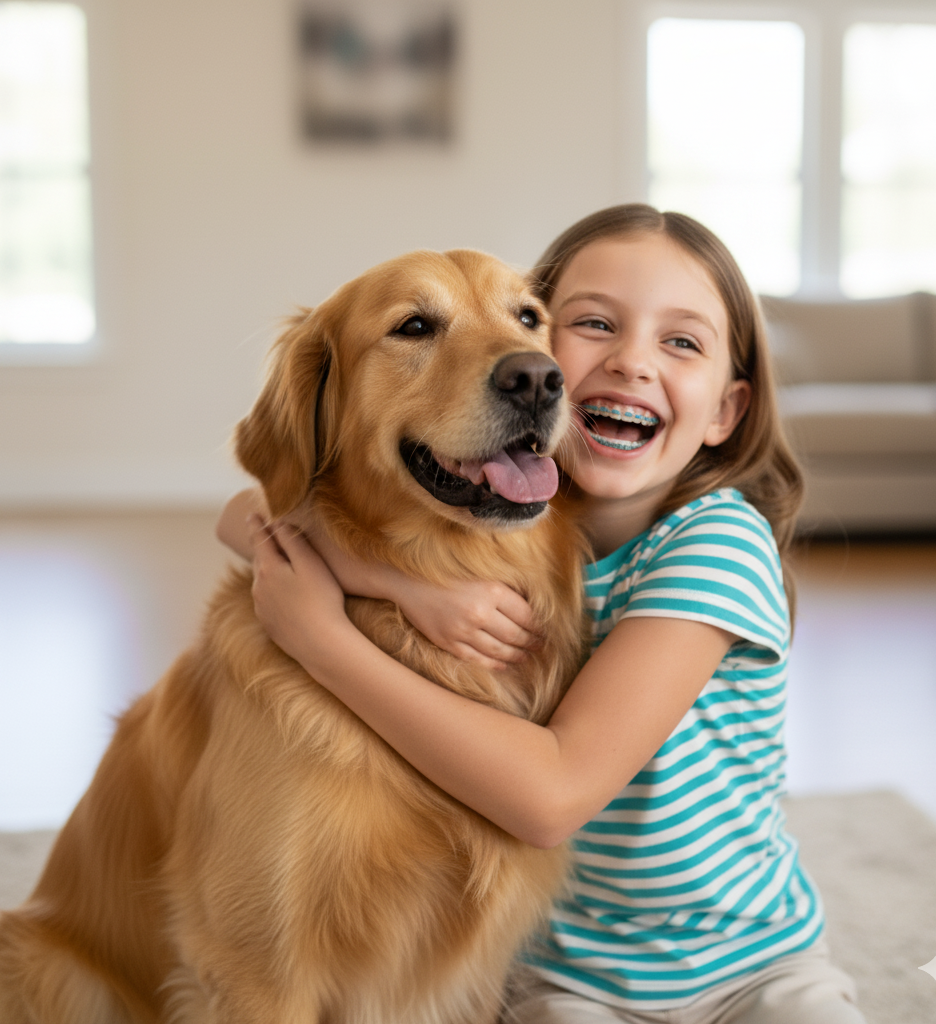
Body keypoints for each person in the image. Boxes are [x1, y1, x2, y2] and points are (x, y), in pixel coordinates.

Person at [217, 204, 866, 1023]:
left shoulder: (718, 545)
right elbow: (256, 506)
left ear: (726, 412)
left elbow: (552, 796)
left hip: (752, 965)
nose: (631, 362)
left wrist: (321, 637)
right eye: (590, 323)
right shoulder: (514, 520)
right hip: (563, 976)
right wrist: (406, 585)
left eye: (682, 341)